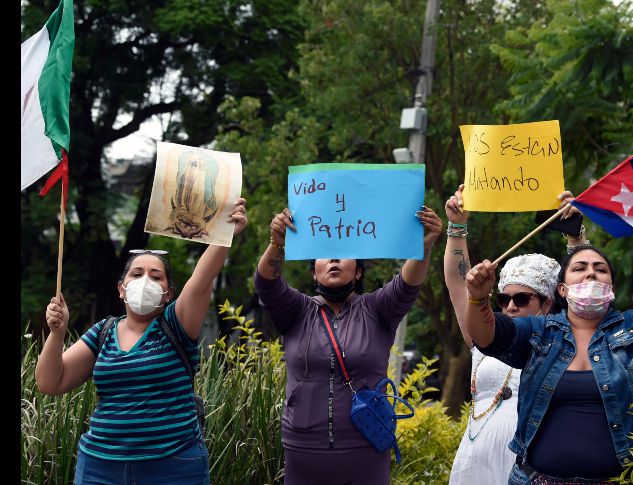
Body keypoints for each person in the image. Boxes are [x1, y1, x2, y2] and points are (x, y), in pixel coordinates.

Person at [462, 206, 633, 485]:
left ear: (612, 288)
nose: (591, 273)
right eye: (579, 268)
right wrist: (477, 299)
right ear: (562, 289)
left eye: (600, 269)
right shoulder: (538, 331)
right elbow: (486, 336)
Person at [36, 197, 248, 485]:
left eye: (156, 276)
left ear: (168, 293)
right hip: (100, 467)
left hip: (174, 466)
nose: (145, 280)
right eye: (137, 274)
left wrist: (225, 233)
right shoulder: (102, 332)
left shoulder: (176, 324)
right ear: (122, 289)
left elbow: (203, 276)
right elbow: (51, 382)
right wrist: (57, 334)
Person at [254, 205, 442, 485]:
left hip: (366, 451)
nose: (334, 258)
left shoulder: (378, 309)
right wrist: (276, 244)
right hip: (303, 453)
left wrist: (424, 245)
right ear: (313, 274)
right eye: (324, 253)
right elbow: (266, 283)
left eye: (345, 253)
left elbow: (406, 284)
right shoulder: (296, 311)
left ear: (358, 273)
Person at [443, 184, 584, 485]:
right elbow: (459, 284)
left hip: (534, 467)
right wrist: (457, 226)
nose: (509, 306)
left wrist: (575, 237)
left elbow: (583, 292)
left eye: (521, 299)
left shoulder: (563, 340)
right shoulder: (485, 335)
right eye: (503, 299)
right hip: (474, 463)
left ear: (547, 303)